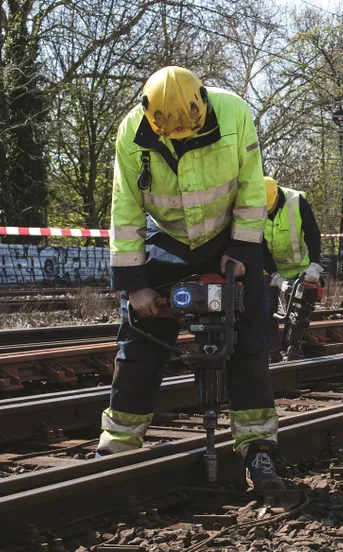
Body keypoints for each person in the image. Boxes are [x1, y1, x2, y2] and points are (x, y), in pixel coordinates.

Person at [102, 66, 283, 492]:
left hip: (228, 237)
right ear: (151, 118)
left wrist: (241, 252)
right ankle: (118, 444)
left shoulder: (235, 113)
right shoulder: (131, 133)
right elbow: (125, 211)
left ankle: (259, 450)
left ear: (203, 102)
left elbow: (252, 189)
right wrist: (135, 285)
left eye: (189, 128)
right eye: (171, 132)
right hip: (169, 238)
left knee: (249, 343)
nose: (180, 136)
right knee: (139, 341)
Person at [262, 177, 323, 357]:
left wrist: (315, 265)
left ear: (276, 198)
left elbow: (313, 234)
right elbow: (259, 246)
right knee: (266, 310)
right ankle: (271, 353)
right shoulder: (254, 206)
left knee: (298, 314)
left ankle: (292, 349)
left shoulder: (297, 202)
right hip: (269, 268)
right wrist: (276, 276)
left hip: (299, 268)